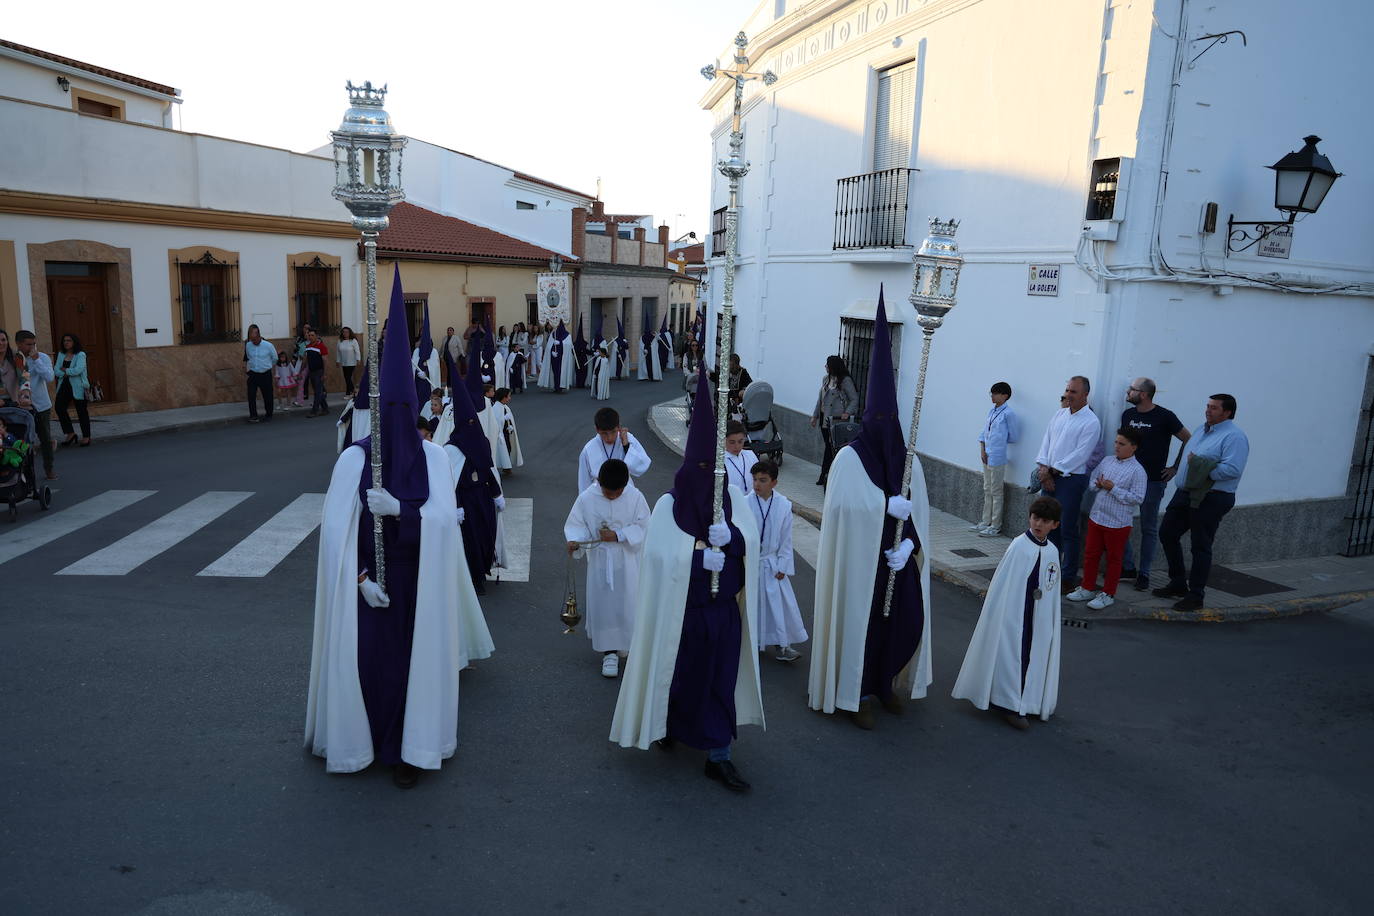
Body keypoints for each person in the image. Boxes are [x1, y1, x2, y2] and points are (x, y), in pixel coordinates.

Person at [304, 266, 473, 789]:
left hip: (417, 581)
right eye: (389, 408)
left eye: (406, 408)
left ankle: (408, 748)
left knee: (413, 668)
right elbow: (333, 530)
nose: (399, 418)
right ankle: (364, 741)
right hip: (369, 585)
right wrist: (359, 580)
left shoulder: (433, 457)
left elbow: (446, 521)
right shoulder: (355, 460)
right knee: (371, 664)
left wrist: (404, 512)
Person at [610, 367, 764, 793]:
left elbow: (752, 543)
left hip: (724, 613)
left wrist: (730, 537)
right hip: (685, 616)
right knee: (680, 676)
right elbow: (658, 562)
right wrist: (699, 564)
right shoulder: (668, 507)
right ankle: (669, 723)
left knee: (720, 681)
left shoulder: (730, 499)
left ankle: (719, 754)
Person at [808, 292, 931, 729]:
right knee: (861, 626)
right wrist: (884, 505)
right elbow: (842, 513)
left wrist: (909, 542)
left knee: (901, 621)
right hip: (862, 567)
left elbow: (921, 517)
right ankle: (854, 692)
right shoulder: (848, 458)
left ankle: (886, 683)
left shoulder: (906, 458)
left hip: (897, 564)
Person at [951, 496, 1063, 730]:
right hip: (1015, 613)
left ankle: (1029, 701)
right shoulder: (1019, 546)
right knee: (1012, 654)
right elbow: (1004, 585)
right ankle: (1009, 705)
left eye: (1045, 520)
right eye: (1035, 518)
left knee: (1035, 655)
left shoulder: (1052, 552)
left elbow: (1050, 592)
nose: (1038, 524)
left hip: (1038, 617)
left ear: (1055, 525)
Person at [1154, 394, 1250, 612]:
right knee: (1167, 533)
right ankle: (1178, 583)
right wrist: (1182, 468)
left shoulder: (1234, 437)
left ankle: (1196, 595)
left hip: (1211, 497)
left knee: (1200, 545)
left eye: (1214, 408)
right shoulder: (1200, 429)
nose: (1208, 410)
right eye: (1208, 406)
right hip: (1185, 493)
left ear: (1227, 412)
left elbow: (1233, 469)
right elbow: (1188, 453)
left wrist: (1199, 469)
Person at [565, 458, 652, 678]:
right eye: (608, 492)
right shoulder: (587, 498)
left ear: (624, 486)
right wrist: (576, 541)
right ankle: (609, 652)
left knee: (628, 603)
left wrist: (619, 535)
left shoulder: (635, 497)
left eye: (617, 492)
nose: (612, 496)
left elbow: (645, 526)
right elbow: (577, 525)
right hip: (601, 562)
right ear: (599, 483)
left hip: (628, 560)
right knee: (605, 606)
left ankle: (629, 644)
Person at [1120, 378, 1191, 590]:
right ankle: (1128, 566)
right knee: (1120, 522)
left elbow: (1189, 439)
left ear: (1143, 394)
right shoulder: (1128, 415)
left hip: (1152, 481)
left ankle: (1144, 574)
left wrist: (1175, 467)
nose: (1127, 391)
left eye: (1131, 389)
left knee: (1148, 528)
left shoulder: (1165, 416)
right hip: (1126, 479)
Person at [442, 364, 506, 599]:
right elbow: (450, 482)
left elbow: (487, 468)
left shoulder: (480, 442)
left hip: (483, 499)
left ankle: (484, 569)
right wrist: (456, 505)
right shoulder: (450, 450)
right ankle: (473, 577)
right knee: (470, 541)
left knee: (485, 535)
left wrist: (497, 494)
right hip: (466, 502)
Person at [1067, 428, 1146, 611]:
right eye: (1116, 442)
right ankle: (1087, 587)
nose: (1116, 447)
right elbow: (1093, 480)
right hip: (1097, 517)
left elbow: (1137, 498)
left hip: (1117, 523)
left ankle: (1108, 593)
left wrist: (1113, 488)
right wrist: (1097, 484)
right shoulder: (1107, 460)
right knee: (1090, 555)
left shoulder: (1138, 471)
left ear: (1133, 447)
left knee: (1113, 559)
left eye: (1122, 444)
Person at [1034, 376, 1100, 592]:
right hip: (1049, 477)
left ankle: (1068, 577)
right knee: (1047, 526)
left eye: (1073, 392)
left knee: (1067, 529)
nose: (1068, 395)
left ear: (1085, 395)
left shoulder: (1091, 421)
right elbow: (1047, 442)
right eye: (1067, 390)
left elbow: (1080, 455)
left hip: (1071, 481)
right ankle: (1047, 569)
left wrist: (1052, 471)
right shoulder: (1059, 414)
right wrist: (1043, 469)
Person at [750, 459, 807, 662]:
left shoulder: (783, 505)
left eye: (763, 480)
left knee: (779, 605)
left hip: (772, 563)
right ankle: (752, 643)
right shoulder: (746, 502)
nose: (757, 484)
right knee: (753, 606)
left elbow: (786, 538)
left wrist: (783, 564)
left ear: (774, 482)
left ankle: (783, 645)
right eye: (755, 479)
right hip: (751, 564)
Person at [973, 381, 1020, 536]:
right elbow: (983, 433)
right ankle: (985, 521)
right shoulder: (992, 412)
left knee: (996, 490)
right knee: (987, 488)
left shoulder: (1008, 414)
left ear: (1004, 395)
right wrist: (982, 450)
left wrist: (997, 444)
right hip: (987, 455)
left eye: (995, 393)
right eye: (991, 393)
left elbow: (1013, 436)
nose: (992, 396)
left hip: (998, 456)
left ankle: (995, 525)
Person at [578, 407, 652, 493]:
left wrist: (626, 446)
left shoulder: (627, 439)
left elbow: (643, 465)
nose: (609, 438)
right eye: (604, 433)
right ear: (597, 430)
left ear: (619, 427)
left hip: (624, 491)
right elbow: (584, 482)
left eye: (613, 432)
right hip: (599, 493)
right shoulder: (588, 449)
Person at [810, 355, 857, 487]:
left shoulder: (845, 381)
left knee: (830, 449)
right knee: (829, 448)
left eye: (827, 364)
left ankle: (825, 475)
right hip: (825, 420)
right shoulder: (826, 379)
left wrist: (847, 412)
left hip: (837, 421)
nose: (825, 366)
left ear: (833, 366)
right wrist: (815, 416)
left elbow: (854, 399)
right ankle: (827, 475)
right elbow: (820, 399)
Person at [14, 331, 56, 480]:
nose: (32, 347)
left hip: (41, 406)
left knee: (45, 438)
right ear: (19, 344)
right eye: (28, 344)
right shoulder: (15, 360)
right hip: (21, 406)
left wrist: (36, 360)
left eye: (34, 344)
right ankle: (24, 472)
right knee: (22, 440)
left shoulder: (42, 357)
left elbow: (49, 377)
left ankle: (49, 469)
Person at [52, 333, 92, 446]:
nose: (66, 342)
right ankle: (70, 433)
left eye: (69, 340)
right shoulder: (61, 354)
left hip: (78, 386)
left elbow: (79, 369)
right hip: (64, 385)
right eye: (64, 340)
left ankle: (86, 436)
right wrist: (65, 372)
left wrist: (66, 371)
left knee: (82, 411)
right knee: (59, 407)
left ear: (74, 342)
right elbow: (56, 370)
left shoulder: (80, 354)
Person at [243, 323, 277, 424]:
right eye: (251, 339)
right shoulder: (248, 345)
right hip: (253, 373)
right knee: (251, 395)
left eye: (254, 339)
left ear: (259, 335)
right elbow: (248, 357)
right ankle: (253, 416)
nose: (253, 341)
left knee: (267, 395)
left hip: (265, 374)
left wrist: (267, 366)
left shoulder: (268, 345)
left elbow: (275, 358)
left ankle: (269, 414)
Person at [722, 420, 759, 494]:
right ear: (723, 440)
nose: (737, 446)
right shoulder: (720, 461)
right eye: (732, 442)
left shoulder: (750, 455)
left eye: (740, 441)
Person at [492, 388, 523, 474]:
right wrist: (504, 419)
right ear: (503, 397)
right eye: (508, 396)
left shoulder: (505, 407)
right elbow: (496, 422)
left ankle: (507, 465)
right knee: (503, 449)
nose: (510, 398)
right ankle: (505, 466)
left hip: (507, 432)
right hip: (501, 435)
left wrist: (510, 426)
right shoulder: (496, 408)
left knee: (509, 448)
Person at [304, 329, 328, 417]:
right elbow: (305, 360)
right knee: (319, 391)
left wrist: (324, 374)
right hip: (312, 372)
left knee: (317, 392)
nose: (310, 337)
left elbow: (325, 360)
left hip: (319, 372)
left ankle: (314, 411)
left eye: (312, 335)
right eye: (309, 335)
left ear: (317, 336)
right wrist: (300, 371)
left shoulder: (321, 346)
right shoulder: (308, 347)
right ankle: (325, 409)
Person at [337, 327, 361, 396]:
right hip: (344, 362)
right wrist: (337, 361)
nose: (345, 333)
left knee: (348, 377)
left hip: (352, 362)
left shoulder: (353, 341)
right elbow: (338, 352)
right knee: (346, 377)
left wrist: (358, 359)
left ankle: (353, 391)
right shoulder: (340, 341)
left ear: (350, 333)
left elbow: (357, 351)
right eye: (344, 332)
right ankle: (348, 393)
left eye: (347, 332)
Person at [0, 330, 22, 405]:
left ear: (7, 341)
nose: (1, 343)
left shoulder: (17, 356)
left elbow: (24, 376)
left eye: (3, 340)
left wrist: (25, 393)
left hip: (14, 401)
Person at [572, 323, 590, 389]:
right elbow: (588, 352)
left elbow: (572, 352)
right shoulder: (585, 343)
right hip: (583, 360)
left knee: (578, 372)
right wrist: (593, 352)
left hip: (578, 360)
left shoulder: (575, 343)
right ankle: (581, 384)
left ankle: (578, 384)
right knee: (583, 372)